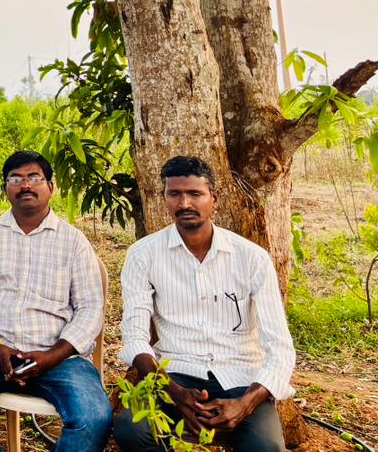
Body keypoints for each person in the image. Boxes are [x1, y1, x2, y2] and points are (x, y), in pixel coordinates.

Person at [0, 150, 111, 452]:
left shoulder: (73, 242)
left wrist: (52, 356)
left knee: (93, 418)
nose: (25, 185)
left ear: (50, 187)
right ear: (6, 189)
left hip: (58, 357)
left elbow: (91, 308)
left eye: (34, 177)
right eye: (15, 178)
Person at [114, 155, 296, 452]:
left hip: (240, 378)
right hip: (173, 374)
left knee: (266, 447)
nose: (184, 203)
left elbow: (280, 348)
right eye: (174, 194)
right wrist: (173, 392)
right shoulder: (143, 254)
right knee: (131, 431)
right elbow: (134, 336)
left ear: (215, 199)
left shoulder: (251, 258)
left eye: (195, 194)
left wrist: (245, 404)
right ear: (165, 198)